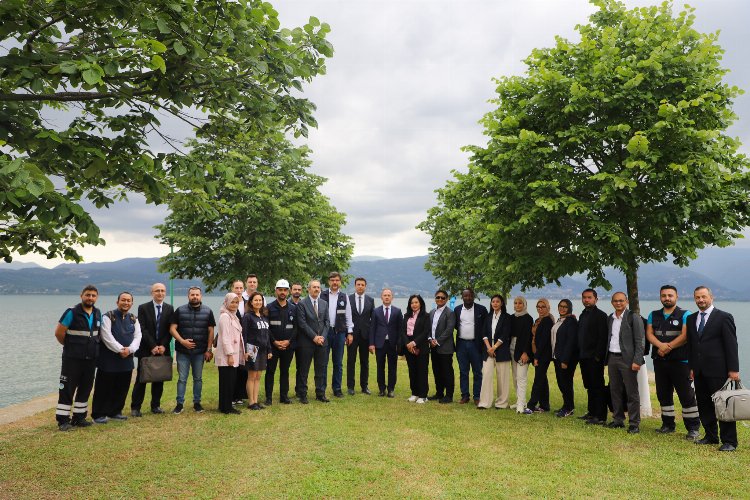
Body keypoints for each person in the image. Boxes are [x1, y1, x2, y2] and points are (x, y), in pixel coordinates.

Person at [687, 286, 740, 452]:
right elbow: (691, 345)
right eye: (697, 298)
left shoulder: (724, 317)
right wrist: (691, 367)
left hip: (719, 370)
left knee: (722, 405)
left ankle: (729, 441)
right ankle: (711, 436)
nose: (701, 300)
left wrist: (733, 370)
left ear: (711, 297)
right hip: (699, 370)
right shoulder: (691, 318)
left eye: (703, 297)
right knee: (704, 405)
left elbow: (731, 345)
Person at [646, 285, 700, 439]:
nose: (667, 298)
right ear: (660, 297)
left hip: (680, 361)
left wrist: (668, 346)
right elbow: (649, 334)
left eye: (670, 295)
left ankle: (693, 428)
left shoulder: (685, 314)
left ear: (677, 297)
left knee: (686, 395)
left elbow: (685, 336)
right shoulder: (653, 315)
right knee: (663, 394)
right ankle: (668, 424)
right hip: (660, 361)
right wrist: (660, 346)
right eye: (664, 295)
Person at [54, 285, 102, 431]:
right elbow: (59, 333)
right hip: (72, 359)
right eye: (88, 295)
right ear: (81, 295)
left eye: (93, 295)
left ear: (97, 297)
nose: (90, 298)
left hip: (91, 359)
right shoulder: (72, 312)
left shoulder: (98, 313)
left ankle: (79, 418)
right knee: (67, 389)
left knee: (86, 388)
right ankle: (63, 421)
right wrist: (70, 347)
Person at [92, 292, 142, 423]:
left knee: (122, 387)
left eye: (128, 301)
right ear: (117, 302)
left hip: (127, 360)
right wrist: (121, 350)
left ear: (132, 303)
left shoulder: (133, 319)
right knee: (104, 387)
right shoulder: (108, 317)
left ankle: (115, 412)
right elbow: (106, 337)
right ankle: (98, 414)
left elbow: (138, 337)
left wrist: (130, 349)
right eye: (123, 300)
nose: (126, 303)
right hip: (108, 360)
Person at [169, 286, 215, 414]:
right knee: (182, 378)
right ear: (188, 296)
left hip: (200, 352)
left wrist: (209, 349)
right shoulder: (180, 310)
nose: (195, 297)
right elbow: (172, 328)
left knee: (198, 378)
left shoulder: (208, 311)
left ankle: (197, 403)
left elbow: (211, 331)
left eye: (197, 295)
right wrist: (182, 341)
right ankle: (179, 404)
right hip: (183, 351)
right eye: (192, 295)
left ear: (201, 296)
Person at [604, 292, 645, 434]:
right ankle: (618, 420)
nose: (618, 303)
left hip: (627, 360)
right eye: (615, 301)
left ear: (626, 301)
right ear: (612, 302)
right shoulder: (610, 318)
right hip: (612, 358)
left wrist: (637, 360)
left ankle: (634, 423)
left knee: (631, 392)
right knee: (614, 390)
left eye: (621, 300)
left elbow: (640, 341)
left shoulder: (633, 317)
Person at [131, 282, 174, 417]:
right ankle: (136, 407)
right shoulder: (143, 308)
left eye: (162, 291)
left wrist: (163, 346)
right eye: (157, 291)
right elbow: (142, 329)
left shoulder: (169, 308)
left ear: (165, 293)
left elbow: (170, 330)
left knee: (158, 378)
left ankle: (155, 406)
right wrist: (153, 346)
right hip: (146, 349)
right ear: (152, 293)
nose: (160, 293)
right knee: (141, 379)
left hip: (162, 349)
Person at [295, 279, 330, 403]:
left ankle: (320, 393)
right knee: (304, 370)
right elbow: (302, 324)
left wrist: (322, 337)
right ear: (308, 289)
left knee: (321, 369)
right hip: (307, 343)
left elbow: (327, 322)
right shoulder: (302, 304)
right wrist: (314, 337)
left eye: (318, 287)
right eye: (314, 287)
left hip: (322, 343)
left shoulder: (324, 303)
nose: (316, 289)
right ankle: (302, 394)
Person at [577, 288, 609, 425]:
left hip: (594, 358)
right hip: (583, 356)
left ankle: (600, 416)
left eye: (589, 297)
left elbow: (603, 338)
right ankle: (591, 412)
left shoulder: (601, 315)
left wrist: (597, 357)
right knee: (589, 386)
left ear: (596, 299)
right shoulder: (583, 315)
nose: (586, 300)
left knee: (597, 386)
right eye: (584, 297)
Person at [321, 271, 354, 398]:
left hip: (339, 333)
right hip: (325, 332)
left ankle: (337, 388)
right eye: (332, 280)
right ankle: (321, 388)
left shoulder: (344, 297)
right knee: (323, 362)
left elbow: (348, 317)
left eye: (337, 280)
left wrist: (349, 333)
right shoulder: (321, 295)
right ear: (329, 281)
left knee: (338, 363)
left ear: (340, 282)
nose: (335, 282)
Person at [454, 288, 488, 405]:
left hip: (476, 345)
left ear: (473, 296)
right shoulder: (457, 309)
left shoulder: (481, 310)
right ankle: (465, 395)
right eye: (465, 296)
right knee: (463, 371)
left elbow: (485, 328)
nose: (468, 298)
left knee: (477, 372)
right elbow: (455, 326)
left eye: (470, 296)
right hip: (461, 345)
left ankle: (477, 396)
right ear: (462, 297)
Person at [265, 279, 297, 405]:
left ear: (288, 291)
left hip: (288, 346)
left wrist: (288, 341)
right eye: (280, 290)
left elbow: (296, 328)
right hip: (273, 346)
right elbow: (266, 327)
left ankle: (284, 396)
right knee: (270, 371)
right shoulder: (269, 308)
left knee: (285, 371)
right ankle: (268, 397)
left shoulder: (294, 308)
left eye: (285, 290)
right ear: (276, 291)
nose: (282, 292)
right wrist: (274, 342)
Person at [477, 294, 511, 409]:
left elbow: (505, 334)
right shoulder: (488, 316)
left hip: (502, 349)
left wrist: (494, 347)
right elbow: (484, 333)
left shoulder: (507, 317)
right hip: (488, 349)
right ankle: (484, 403)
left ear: (501, 303)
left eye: (497, 301)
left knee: (503, 378)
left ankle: (501, 403)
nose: (495, 303)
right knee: (486, 375)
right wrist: (489, 348)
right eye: (493, 302)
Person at [369, 288, 403, 398]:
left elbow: (400, 329)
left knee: (392, 367)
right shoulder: (376, 311)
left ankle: (391, 389)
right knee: (380, 367)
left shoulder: (397, 311)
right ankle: (382, 389)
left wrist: (399, 344)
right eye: (385, 295)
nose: (387, 297)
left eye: (389, 295)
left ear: (392, 297)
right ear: (381, 297)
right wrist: (371, 343)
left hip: (392, 344)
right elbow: (372, 328)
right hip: (380, 343)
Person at [242, 292, 272, 410]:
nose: (258, 302)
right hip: (252, 349)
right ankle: (251, 402)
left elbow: (267, 335)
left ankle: (256, 401)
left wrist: (269, 349)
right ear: (251, 302)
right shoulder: (247, 317)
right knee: (252, 375)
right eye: (256, 300)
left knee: (258, 376)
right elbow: (244, 335)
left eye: (260, 300)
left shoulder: (264, 317)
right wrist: (245, 350)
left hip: (263, 350)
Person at [215, 293, 244, 414]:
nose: (234, 304)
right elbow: (225, 338)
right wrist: (230, 355)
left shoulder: (233, 316)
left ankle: (224, 406)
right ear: (226, 302)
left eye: (236, 302)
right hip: (228, 356)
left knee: (229, 381)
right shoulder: (225, 317)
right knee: (227, 382)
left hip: (233, 354)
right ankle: (227, 408)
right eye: (232, 302)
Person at [400, 294, 430, 403]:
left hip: (421, 347)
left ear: (420, 303)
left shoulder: (426, 316)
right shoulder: (406, 315)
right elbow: (402, 331)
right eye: (412, 303)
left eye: (416, 302)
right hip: (408, 347)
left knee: (422, 371)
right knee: (412, 370)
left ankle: (423, 395)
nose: (414, 304)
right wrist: (407, 343)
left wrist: (414, 342)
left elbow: (426, 332)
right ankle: (414, 393)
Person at [428, 290, 456, 403]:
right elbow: (428, 328)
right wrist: (430, 339)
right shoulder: (431, 312)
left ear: (447, 299)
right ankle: (439, 393)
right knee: (436, 370)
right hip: (433, 347)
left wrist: (437, 341)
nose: (440, 299)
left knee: (447, 371)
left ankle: (449, 395)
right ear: (435, 298)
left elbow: (449, 330)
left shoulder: (450, 313)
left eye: (442, 298)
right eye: (438, 297)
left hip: (445, 347)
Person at [348, 277, 374, 395]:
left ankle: (364, 386)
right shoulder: (348, 299)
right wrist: (347, 334)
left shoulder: (370, 300)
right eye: (358, 284)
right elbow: (345, 318)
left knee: (365, 362)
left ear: (365, 286)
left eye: (362, 285)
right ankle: (350, 387)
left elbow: (372, 320)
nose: (360, 286)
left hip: (365, 336)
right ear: (355, 286)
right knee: (351, 361)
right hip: (352, 335)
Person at [527, 298, 554, 413]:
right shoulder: (538, 320)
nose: (540, 309)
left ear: (548, 307)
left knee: (538, 380)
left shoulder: (547, 320)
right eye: (538, 307)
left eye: (543, 307)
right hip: (536, 353)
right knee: (542, 379)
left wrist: (537, 357)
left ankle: (531, 406)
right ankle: (544, 405)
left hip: (543, 354)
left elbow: (543, 341)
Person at [553, 299, 578, 417]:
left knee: (566, 383)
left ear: (569, 308)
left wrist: (565, 360)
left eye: (565, 307)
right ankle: (566, 405)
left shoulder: (571, 322)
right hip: (557, 357)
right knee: (561, 382)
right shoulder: (560, 320)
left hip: (566, 359)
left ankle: (569, 408)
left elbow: (571, 342)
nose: (562, 308)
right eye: (560, 306)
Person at [510, 296, 534, 414]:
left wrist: (526, 352)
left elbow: (529, 338)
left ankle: (521, 405)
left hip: (523, 351)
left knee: (521, 377)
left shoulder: (528, 318)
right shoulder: (511, 317)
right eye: (515, 303)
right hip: (512, 349)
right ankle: (520, 400)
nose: (517, 305)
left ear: (524, 304)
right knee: (515, 377)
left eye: (520, 303)